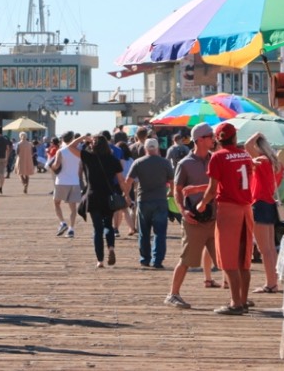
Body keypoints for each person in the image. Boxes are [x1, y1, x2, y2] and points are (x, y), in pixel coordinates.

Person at [197, 122, 254, 315]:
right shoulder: (245, 154)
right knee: (243, 259)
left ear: (218, 139)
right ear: (234, 138)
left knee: (228, 259)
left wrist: (202, 203)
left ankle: (235, 303)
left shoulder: (218, 157)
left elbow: (213, 188)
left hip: (229, 209)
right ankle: (244, 300)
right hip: (247, 208)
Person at [165, 122, 221, 310]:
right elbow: (177, 190)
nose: (213, 139)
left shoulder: (215, 159)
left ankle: (238, 299)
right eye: (210, 136)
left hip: (213, 217)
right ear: (199, 140)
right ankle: (173, 294)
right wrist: (183, 212)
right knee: (187, 259)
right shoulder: (185, 164)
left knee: (224, 259)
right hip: (193, 219)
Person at [77, 135, 126, 268]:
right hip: (108, 197)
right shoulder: (113, 159)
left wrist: (83, 138)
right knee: (108, 225)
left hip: (93, 196)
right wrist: (126, 195)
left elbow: (70, 147)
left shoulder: (88, 157)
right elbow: (121, 180)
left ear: (93, 145)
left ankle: (100, 261)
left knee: (97, 229)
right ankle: (111, 248)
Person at [124, 138, 174, 269]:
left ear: (145, 149)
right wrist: (171, 193)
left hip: (143, 200)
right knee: (160, 232)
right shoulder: (165, 162)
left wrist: (126, 196)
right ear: (157, 148)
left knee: (144, 232)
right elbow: (172, 180)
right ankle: (157, 261)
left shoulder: (138, 162)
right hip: (160, 200)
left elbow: (128, 181)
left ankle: (145, 259)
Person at [245, 132, 280, 295]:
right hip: (271, 203)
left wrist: (256, 134)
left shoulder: (261, 161)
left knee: (263, 248)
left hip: (260, 203)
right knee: (271, 248)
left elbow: (246, 145)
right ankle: (273, 281)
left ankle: (270, 283)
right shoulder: (274, 162)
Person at [51, 131, 82, 239]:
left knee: (56, 203)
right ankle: (71, 229)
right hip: (74, 181)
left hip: (62, 181)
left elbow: (57, 165)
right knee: (73, 208)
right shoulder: (78, 152)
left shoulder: (61, 151)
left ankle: (62, 222)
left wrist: (52, 166)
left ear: (62, 140)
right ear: (73, 139)